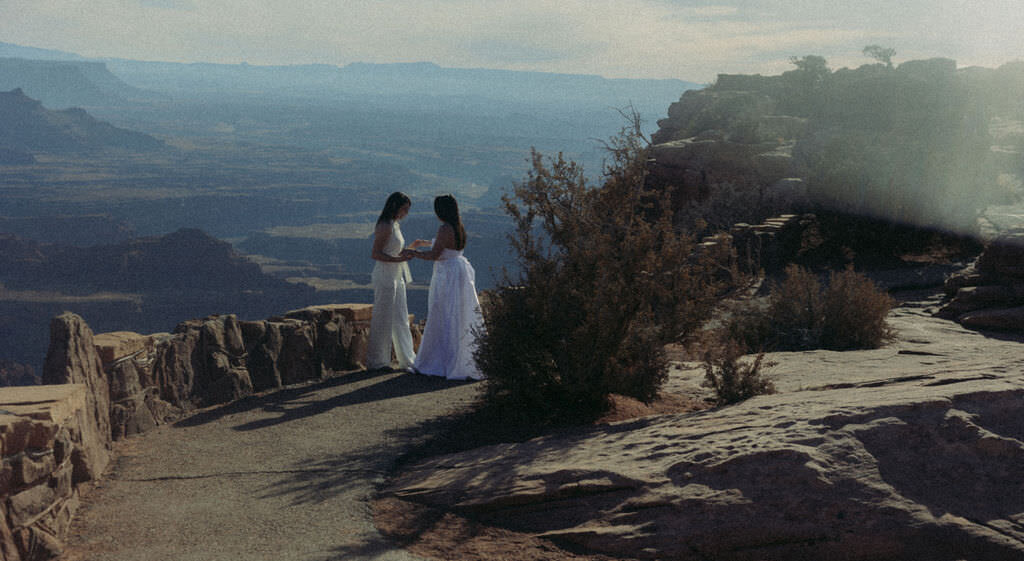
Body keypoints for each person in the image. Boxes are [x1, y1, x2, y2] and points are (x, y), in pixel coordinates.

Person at [409, 194, 485, 380]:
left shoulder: (444, 228)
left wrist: (413, 253)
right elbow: (449, 247)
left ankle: (440, 360)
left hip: (447, 276)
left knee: (444, 313)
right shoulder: (459, 227)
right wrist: (424, 242)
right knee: (459, 314)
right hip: (459, 273)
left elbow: (435, 254)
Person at [367, 192, 417, 372]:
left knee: (401, 318)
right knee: (383, 318)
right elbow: (376, 253)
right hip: (386, 276)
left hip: (397, 276)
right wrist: (398, 260)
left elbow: (394, 248)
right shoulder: (385, 225)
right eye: (404, 209)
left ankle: (407, 358)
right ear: (395, 207)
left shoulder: (395, 225)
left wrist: (411, 249)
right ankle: (378, 362)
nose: (406, 213)